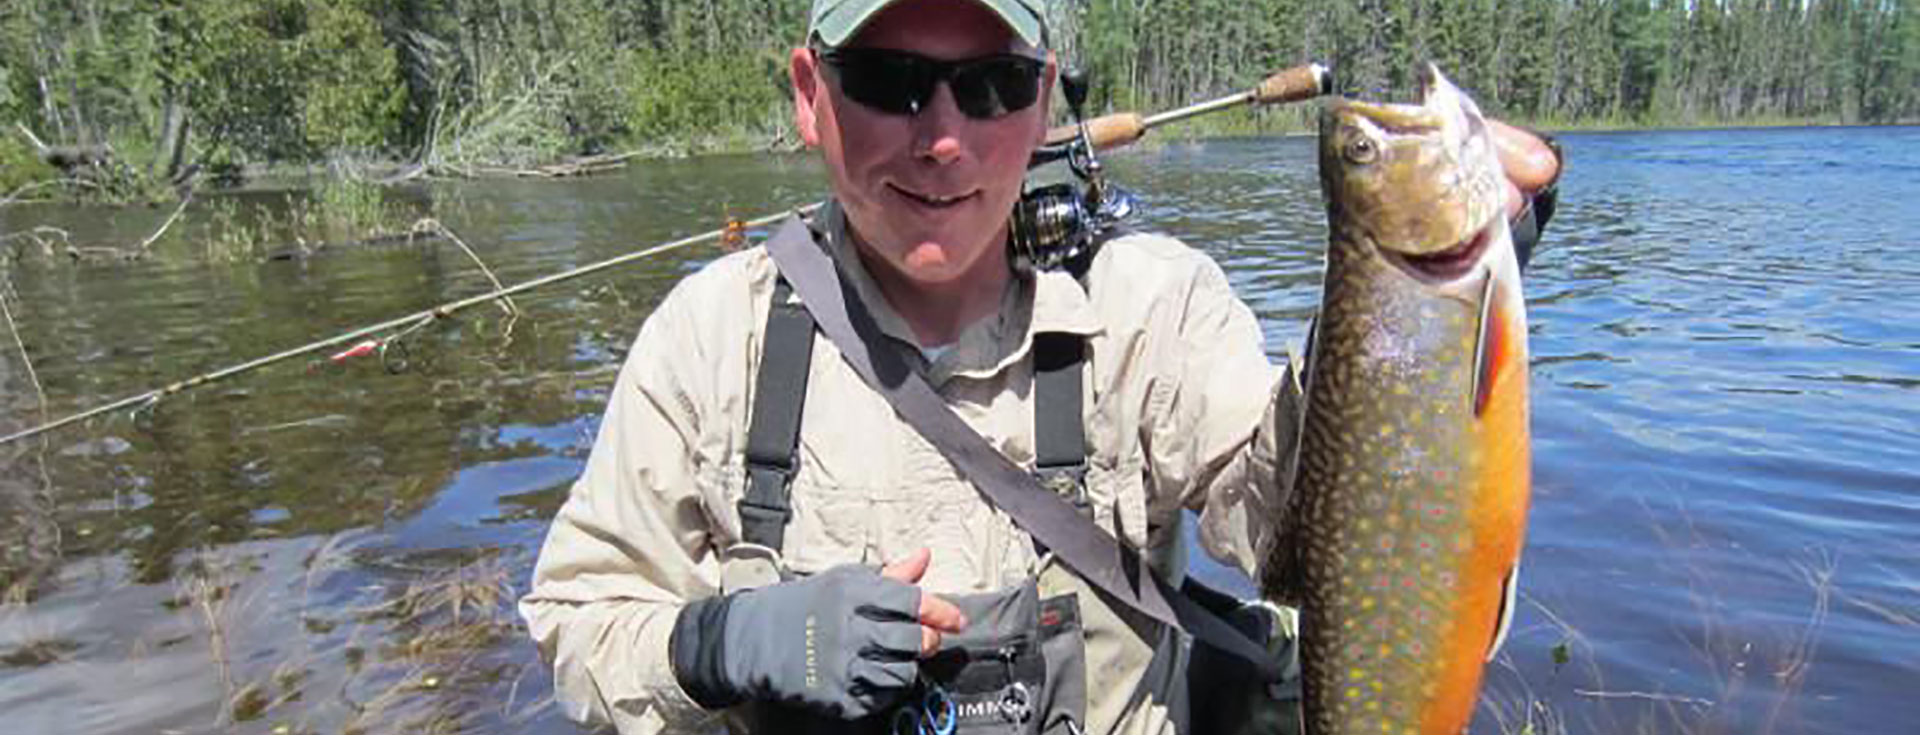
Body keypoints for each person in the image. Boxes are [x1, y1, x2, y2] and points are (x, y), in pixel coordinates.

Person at [519, 1, 1562, 733]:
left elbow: (1309, 537)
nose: (943, 140)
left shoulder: (1152, 307)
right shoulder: (711, 339)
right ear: (810, 94)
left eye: (991, 85)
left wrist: (1421, 337)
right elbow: (577, 622)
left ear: (1043, 97)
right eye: (890, 83)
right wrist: (722, 641)